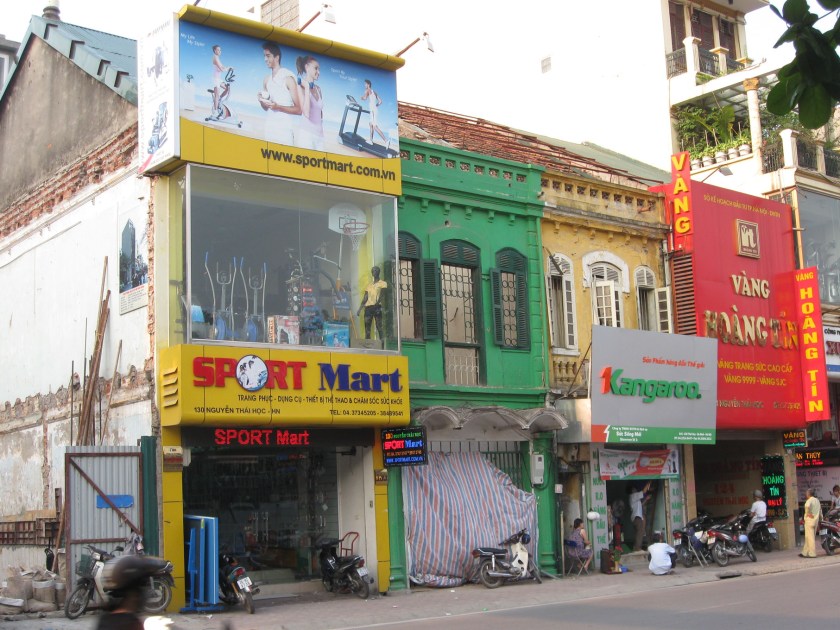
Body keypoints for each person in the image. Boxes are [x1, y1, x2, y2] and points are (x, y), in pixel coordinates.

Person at [257, 42, 301, 146]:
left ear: (277, 57)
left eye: (268, 56)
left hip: (284, 131)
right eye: (264, 56)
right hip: (269, 129)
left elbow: (299, 110)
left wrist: (278, 107)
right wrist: (261, 100)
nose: (265, 59)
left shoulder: (288, 79)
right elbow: (266, 108)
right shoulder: (266, 80)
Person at [295, 55, 325, 150]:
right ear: (307, 67)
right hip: (306, 135)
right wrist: (307, 87)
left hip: (320, 137)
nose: (318, 72)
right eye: (316, 68)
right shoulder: (300, 86)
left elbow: (320, 113)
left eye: (319, 69)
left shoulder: (318, 89)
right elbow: (306, 113)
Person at [357, 266, 387, 340]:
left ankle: (382, 344)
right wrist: (360, 309)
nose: (374, 272)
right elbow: (365, 298)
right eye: (373, 271)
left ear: (379, 272)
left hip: (377, 307)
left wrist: (377, 302)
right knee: (367, 329)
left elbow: (383, 294)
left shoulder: (383, 283)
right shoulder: (369, 285)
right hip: (368, 308)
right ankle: (368, 344)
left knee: (379, 326)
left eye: (375, 270)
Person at [361, 79, 388, 146]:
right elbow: (380, 101)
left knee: (374, 126)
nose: (364, 85)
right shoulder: (374, 92)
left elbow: (365, 98)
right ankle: (371, 140)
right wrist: (376, 106)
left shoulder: (367, 90)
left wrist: (361, 98)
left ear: (368, 84)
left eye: (365, 84)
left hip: (373, 110)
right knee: (370, 124)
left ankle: (386, 141)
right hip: (375, 109)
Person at [629, 481, 652, 551]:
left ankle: (635, 547)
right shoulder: (634, 495)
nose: (636, 490)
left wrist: (646, 499)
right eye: (634, 489)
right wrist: (649, 482)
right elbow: (643, 492)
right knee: (640, 532)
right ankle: (637, 548)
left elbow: (640, 505)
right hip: (637, 517)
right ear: (632, 490)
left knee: (638, 532)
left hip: (636, 517)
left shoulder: (635, 498)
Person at [801, 486, 822, 558]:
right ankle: (804, 552)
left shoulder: (809, 500)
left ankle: (812, 553)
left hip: (809, 521)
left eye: (806, 493)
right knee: (808, 537)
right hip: (815, 521)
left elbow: (807, 506)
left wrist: (808, 513)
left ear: (809, 494)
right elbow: (820, 511)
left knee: (810, 538)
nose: (806, 494)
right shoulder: (817, 500)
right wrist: (821, 519)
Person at [210, 45, 227, 117]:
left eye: (220, 50)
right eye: (218, 50)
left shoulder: (217, 58)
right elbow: (221, 69)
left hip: (219, 79)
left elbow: (223, 67)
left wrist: (229, 67)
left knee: (227, 88)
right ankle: (215, 111)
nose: (220, 51)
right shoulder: (215, 57)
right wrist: (226, 69)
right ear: (215, 50)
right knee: (217, 95)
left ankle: (218, 99)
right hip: (216, 79)